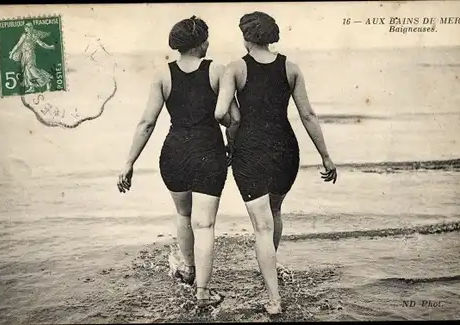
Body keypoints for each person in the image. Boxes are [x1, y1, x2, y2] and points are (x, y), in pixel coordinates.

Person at [214, 11, 338, 315]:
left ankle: (273, 298)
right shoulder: (291, 68)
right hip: (285, 149)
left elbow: (220, 114)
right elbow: (308, 115)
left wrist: (230, 132)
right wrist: (326, 156)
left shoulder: (235, 68)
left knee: (260, 227)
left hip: (250, 150)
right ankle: (269, 267)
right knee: (275, 213)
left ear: (246, 37)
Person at [117, 16, 239, 308]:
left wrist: (129, 162)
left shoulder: (162, 75)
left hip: (173, 154)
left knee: (184, 216)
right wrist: (233, 146)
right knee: (205, 225)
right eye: (206, 39)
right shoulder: (217, 71)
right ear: (201, 43)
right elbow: (233, 118)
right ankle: (203, 293)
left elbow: (147, 123)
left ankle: (189, 270)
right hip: (208, 152)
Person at [9, 22, 55, 93]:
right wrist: (12, 53)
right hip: (24, 55)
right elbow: (18, 45)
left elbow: (42, 44)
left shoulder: (33, 36)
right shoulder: (24, 35)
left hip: (30, 55)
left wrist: (49, 47)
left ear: (31, 28)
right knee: (27, 71)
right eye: (26, 27)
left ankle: (47, 80)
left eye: (28, 27)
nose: (27, 28)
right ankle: (32, 87)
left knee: (32, 70)